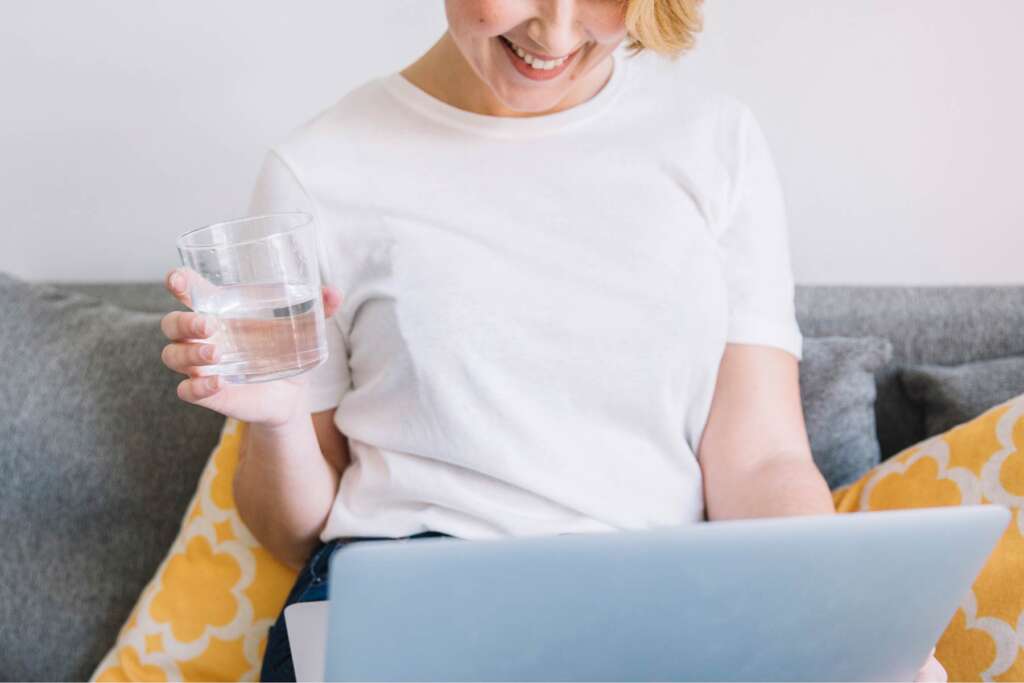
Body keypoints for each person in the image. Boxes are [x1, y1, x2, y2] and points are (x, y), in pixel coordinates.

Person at [159, 1, 947, 680]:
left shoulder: (716, 144)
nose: (557, 30)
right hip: (408, 593)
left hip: (649, 603)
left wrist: (847, 625)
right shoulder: (319, 169)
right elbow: (292, 527)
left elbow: (761, 460)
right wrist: (277, 419)